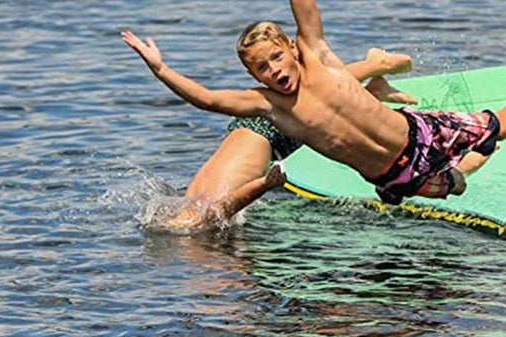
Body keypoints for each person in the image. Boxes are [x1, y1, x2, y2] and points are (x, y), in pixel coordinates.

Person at [122, 0, 506, 207]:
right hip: (394, 176)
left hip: (419, 133)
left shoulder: (315, 53)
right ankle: (460, 159)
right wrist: (162, 69)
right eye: (261, 69)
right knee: (459, 184)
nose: (273, 71)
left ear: (291, 48)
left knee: (501, 122)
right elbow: (206, 99)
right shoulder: (268, 107)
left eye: (276, 58)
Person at [156, 49, 417, 231]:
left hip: (266, 135)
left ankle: (377, 65)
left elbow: (228, 205)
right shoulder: (188, 207)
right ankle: (374, 90)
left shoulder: (199, 220)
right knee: (321, 106)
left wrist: (265, 185)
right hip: (248, 134)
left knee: (318, 101)